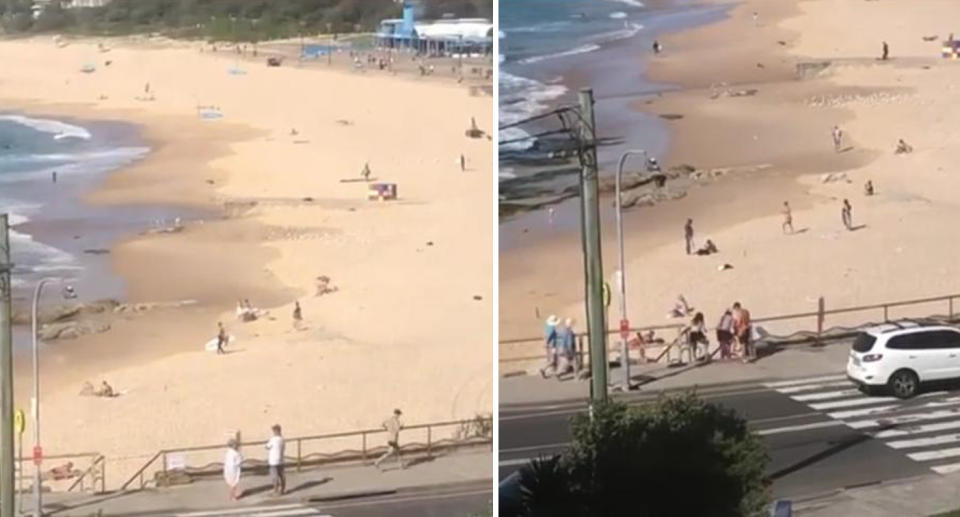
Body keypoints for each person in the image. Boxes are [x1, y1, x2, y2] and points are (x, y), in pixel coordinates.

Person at [266, 424, 286, 496]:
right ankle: (283, 489)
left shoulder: (273, 439)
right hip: (281, 459)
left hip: (273, 460)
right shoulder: (282, 439)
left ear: (275, 431)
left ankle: (276, 491)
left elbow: (267, 446)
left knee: (274, 476)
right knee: (282, 475)